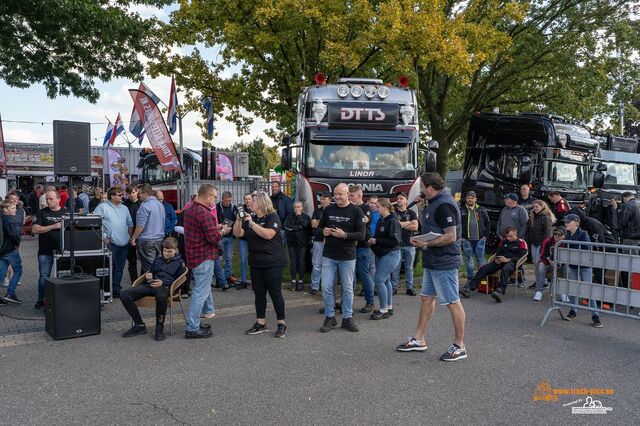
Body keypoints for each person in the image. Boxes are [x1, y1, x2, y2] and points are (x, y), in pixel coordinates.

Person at [397, 173, 467, 361]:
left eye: (421, 187)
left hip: (444, 261)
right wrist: (420, 208)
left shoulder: (444, 205)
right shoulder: (432, 203)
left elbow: (451, 236)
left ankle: (460, 345)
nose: (419, 191)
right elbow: (428, 227)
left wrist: (426, 244)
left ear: (429, 187)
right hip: (432, 260)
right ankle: (419, 339)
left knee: (452, 302)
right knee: (427, 298)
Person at [233, 192, 288, 337]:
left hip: (273, 262)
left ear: (263, 203)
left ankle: (281, 323)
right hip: (256, 262)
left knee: (275, 293)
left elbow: (269, 234)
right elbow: (238, 233)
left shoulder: (272, 216)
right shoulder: (251, 217)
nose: (251, 204)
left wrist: (252, 223)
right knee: (259, 294)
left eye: (254, 201)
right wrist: (239, 220)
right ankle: (261, 323)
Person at [318, 183, 365, 333]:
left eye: (340, 194)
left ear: (348, 195)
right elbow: (318, 229)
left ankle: (347, 318)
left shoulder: (356, 211)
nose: (336, 197)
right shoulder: (328, 209)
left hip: (347, 257)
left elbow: (362, 235)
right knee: (326, 288)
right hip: (329, 255)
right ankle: (330, 317)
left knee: (348, 289)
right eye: (335, 194)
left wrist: (345, 235)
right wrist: (323, 231)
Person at [183, 184, 229, 338]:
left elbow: (201, 231)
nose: (215, 200)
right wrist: (222, 231)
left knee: (199, 290)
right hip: (204, 257)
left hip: (194, 256)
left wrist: (215, 227)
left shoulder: (190, 209)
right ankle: (192, 327)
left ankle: (194, 323)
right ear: (208, 196)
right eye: (214, 197)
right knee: (200, 293)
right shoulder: (205, 213)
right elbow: (212, 238)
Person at [119, 237, 186, 341]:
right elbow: (151, 272)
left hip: (166, 287)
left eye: (170, 251)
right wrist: (149, 276)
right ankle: (139, 325)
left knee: (161, 296)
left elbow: (181, 282)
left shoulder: (180, 263)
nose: (167, 253)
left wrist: (163, 282)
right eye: (165, 251)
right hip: (152, 284)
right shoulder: (158, 259)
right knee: (124, 294)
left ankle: (159, 328)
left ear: (175, 250)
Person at [462, 226, 528, 303]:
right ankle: (470, 287)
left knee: (506, 269)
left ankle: (499, 291)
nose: (508, 239)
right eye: (507, 237)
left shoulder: (522, 242)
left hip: (513, 263)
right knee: (484, 268)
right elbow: (498, 253)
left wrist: (508, 260)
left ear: (515, 233)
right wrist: (497, 259)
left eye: (510, 236)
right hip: (500, 261)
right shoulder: (503, 242)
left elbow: (522, 256)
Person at [562, 214, 603, 328]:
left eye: (568, 222)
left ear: (576, 223)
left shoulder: (583, 234)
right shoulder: (568, 235)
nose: (565, 224)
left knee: (588, 289)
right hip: (573, 266)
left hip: (585, 266)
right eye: (565, 222)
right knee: (573, 288)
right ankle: (573, 311)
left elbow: (586, 248)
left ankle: (595, 315)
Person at [93, 187, 133, 297]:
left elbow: (130, 223)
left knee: (119, 268)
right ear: (112, 196)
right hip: (111, 244)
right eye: (119, 195)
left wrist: (129, 237)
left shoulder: (124, 208)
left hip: (124, 243)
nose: (122, 197)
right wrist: (104, 237)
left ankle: (116, 289)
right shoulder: (102, 207)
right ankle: (106, 290)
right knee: (108, 268)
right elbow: (95, 223)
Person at [31, 190, 68, 308]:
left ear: (58, 199)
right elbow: (35, 230)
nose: (48, 201)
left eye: (51, 199)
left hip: (62, 251)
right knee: (44, 276)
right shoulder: (42, 213)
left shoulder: (66, 212)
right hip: (45, 251)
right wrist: (53, 226)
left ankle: (62, 299)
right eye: (47, 199)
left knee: (63, 277)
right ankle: (41, 299)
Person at [368, 198, 401, 320]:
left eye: (378, 207)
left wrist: (376, 240)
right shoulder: (382, 219)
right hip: (382, 253)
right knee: (386, 281)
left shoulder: (392, 221)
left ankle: (383, 310)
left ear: (386, 207)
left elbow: (395, 241)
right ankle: (388, 307)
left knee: (379, 280)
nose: (376, 209)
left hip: (391, 254)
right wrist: (373, 240)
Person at [348, 185, 375, 310]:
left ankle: (370, 301)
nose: (349, 197)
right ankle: (347, 301)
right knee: (349, 275)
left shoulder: (366, 207)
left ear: (359, 196)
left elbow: (364, 219)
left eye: (352, 195)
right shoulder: (351, 208)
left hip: (363, 245)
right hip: (351, 245)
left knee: (364, 273)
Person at [130, 184, 166, 275]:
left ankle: (151, 287)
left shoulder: (145, 206)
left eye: (140, 193)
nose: (139, 195)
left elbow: (140, 225)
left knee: (150, 270)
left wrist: (134, 237)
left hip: (147, 241)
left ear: (145, 193)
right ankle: (143, 287)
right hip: (159, 239)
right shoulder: (160, 204)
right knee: (154, 266)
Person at [391, 193, 419, 296]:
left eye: (401, 198)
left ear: (406, 201)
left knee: (409, 268)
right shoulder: (393, 212)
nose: (398, 200)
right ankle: (394, 288)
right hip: (396, 245)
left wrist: (401, 224)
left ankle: (410, 288)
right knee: (395, 268)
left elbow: (415, 227)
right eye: (397, 199)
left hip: (409, 244)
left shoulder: (412, 213)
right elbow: (394, 225)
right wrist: (408, 223)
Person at [459, 191, 490, 284]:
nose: (470, 199)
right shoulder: (461, 210)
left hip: (480, 239)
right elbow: (458, 224)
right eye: (468, 198)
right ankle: (471, 278)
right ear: (466, 199)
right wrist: (461, 237)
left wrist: (485, 237)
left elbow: (488, 223)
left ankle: (482, 278)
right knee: (469, 259)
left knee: (481, 259)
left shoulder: (482, 210)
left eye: (472, 198)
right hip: (466, 240)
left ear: (475, 199)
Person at [532, 226, 565, 301]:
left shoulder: (566, 243)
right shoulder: (548, 241)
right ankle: (539, 291)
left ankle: (564, 292)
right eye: (555, 234)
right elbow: (542, 255)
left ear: (564, 236)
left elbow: (568, 257)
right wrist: (549, 261)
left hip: (561, 265)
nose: (556, 236)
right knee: (540, 265)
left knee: (568, 269)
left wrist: (560, 263)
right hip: (549, 264)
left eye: (559, 234)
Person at [284, 201, 311, 291]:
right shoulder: (290, 216)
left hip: (302, 243)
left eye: (299, 207)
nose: (297, 209)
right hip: (292, 242)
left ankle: (301, 281)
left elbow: (305, 225)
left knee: (301, 261)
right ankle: (293, 281)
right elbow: (287, 227)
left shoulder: (306, 217)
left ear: (302, 208)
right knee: (293, 262)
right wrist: (298, 227)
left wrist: (299, 217)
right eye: (295, 207)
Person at [214, 191, 238, 289]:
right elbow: (215, 220)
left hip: (230, 236)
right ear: (222, 199)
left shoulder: (234, 207)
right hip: (220, 236)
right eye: (226, 200)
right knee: (218, 259)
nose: (228, 202)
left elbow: (236, 220)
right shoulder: (217, 207)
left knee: (228, 259)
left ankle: (228, 278)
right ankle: (219, 280)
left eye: (229, 200)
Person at [0, 200, 23, 304]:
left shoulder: (2, 218)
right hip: (9, 250)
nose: (15, 210)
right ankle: (10, 293)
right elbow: (13, 235)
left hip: (2, 251)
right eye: (13, 208)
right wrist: (17, 242)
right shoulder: (8, 220)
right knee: (18, 269)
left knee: (1, 273)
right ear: (5, 210)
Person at [310, 192, 332, 295]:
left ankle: (326, 285)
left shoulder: (333, 210)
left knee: (328, 265)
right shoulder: (317, 211)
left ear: (329, 200)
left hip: (330, 241)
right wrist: (324, 222)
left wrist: (319, 222)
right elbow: (313, 224)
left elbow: (331, 224)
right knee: (316, 264)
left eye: (324, 199)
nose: (321, 201)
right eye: (321, 199)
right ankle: (315, 286)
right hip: (318, 240)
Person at [528, 200, 555, 266]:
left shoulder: (545, 217)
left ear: (542, 207)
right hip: (534, 243)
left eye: (537, 206)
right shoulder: (532, 217)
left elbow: (548, 233)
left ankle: (542, 276)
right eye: (533, 207)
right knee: (535, 263)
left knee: (539, 263)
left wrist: (544, 245)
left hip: (541, 244)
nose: (535, 208)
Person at [123, 184, 141, 283]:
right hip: (129, 236)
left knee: (144, 261)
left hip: (141, 235)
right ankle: (134, 282)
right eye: (129, 193)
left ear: (137, 192)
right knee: (132, 262)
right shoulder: (124, 205)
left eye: (133, 192)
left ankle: (143, 282)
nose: (132, 195)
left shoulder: (142, 204)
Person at [237, 193, 254, 290]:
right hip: (243, 238)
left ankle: (254, 281)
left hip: (253, 238)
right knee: (243, 260)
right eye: (246, 199)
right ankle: (243, 281)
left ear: (252, 199)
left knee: (252, 260)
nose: (247, 201)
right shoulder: (241, 208)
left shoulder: (255, 207)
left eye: (249, 199)